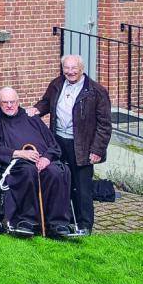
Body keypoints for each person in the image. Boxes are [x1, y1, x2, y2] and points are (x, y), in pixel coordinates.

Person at [30, 54, 110, 234]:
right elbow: (46, 102)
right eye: (67, 68)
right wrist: (37, 109)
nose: (70, 72)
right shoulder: (57, 84)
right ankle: (63, 221)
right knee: (62, 181)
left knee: (82, 187)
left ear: (81, 69)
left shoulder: (96, 92)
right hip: (58, 141)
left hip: (82, 146)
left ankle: (84, 225)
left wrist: (97, 150)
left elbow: (105, 125)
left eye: (74, 68)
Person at [0, 87, 76, 238]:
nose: (9, 105)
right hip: (18, 163)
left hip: (43, 160)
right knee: (28, 172)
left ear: (18, 102)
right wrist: (19, 153)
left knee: (58, 172)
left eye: (13, 102)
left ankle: (57, 223)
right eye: (5, 102)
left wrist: (46, 158)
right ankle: (27, 221)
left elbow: (53, 144)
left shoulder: (31, 117)